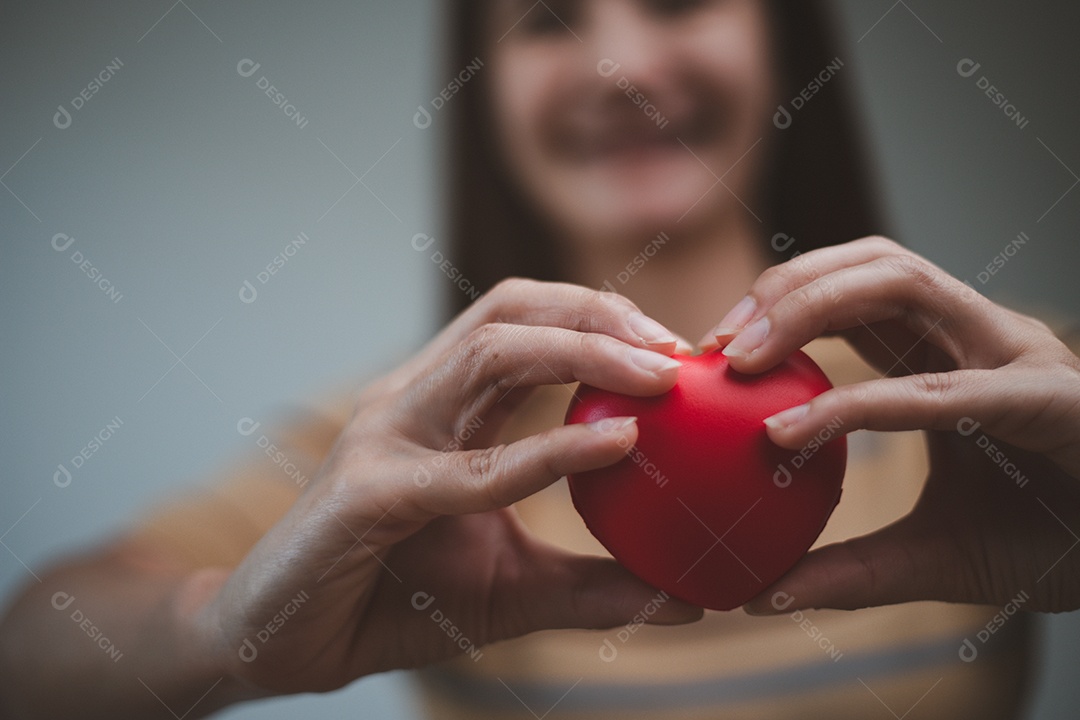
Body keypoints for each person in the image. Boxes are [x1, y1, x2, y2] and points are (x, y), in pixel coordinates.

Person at [2, 0, 1079, 718]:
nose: (623, 67)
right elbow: (32, 649)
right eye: (548, 18)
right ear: (485, 92)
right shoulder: (401, 462)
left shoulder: (1017, 403)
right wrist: (225, 633)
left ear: (785, 43)